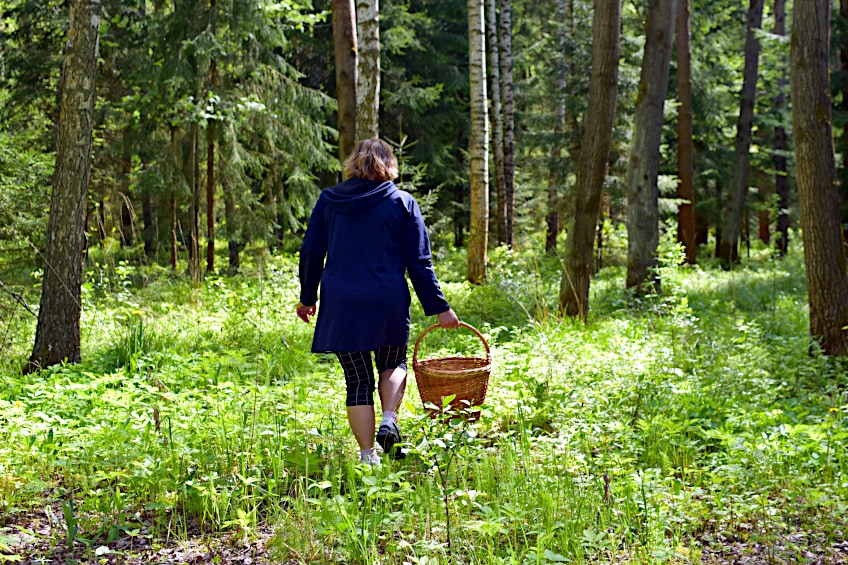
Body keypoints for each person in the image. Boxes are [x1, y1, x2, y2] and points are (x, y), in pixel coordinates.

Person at [296, 139, 459, 465]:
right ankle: (389, 417)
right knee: (392, 363)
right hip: (387, 301)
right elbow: (419, 262)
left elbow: (312, 252)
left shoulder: (329, 200)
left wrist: (307, 298)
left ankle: (368, 455)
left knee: (357, 380)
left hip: (343, 303)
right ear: (389, 164)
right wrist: (441, 308)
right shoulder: (403, 202)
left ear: (353, 163)